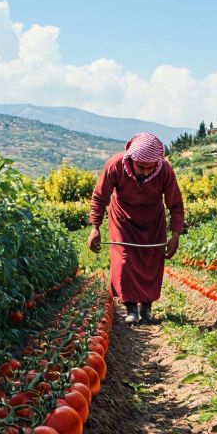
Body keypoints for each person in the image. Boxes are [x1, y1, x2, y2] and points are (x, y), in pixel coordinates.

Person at [87, 133, 185, 325]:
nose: (146, 172)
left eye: (150, 168)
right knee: (124, 260)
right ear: (131, 159)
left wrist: (176, 234)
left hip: (153, 220)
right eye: (141, 167)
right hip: (122, 218)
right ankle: (131, 308)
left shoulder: (164, 170)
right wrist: (95, 227)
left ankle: (146, 309)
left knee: (152, 261)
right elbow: (99, 198)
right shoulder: (115, 165)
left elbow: (175, 204)